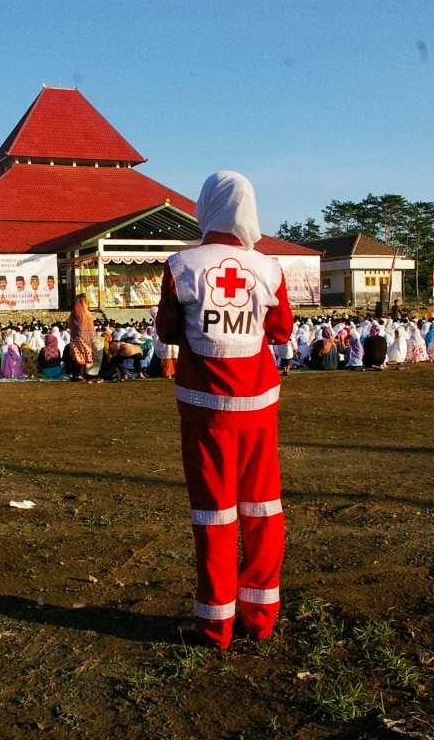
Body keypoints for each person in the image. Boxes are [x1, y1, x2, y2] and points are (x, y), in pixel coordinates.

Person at [155, 171, 293, 650]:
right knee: (263, 508)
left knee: (214, 513)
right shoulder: (269, 269)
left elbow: (170, 331)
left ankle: (214, 624)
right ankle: (261, 616)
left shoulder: (181, 266)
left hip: (204, 410)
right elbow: (280, 331)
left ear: (205, 206)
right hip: (258, 407)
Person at [65, 294, 95, 381]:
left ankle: (73, 373)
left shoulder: (73, 313)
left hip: (74, 338)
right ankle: (80, 375)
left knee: (76, 357)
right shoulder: (87, 314)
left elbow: (69, 324)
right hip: (84, 339)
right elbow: (90, 328)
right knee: (84, 357)